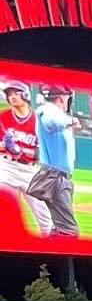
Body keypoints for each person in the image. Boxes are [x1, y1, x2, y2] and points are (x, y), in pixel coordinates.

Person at [0, 82, 55, 236]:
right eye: (9, 94)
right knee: (6, 211)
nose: (12, 97)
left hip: (29, 170)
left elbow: (45, 151)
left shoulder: (39, 120)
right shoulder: (3, 117)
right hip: (6, 167)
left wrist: (24, 150)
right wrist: (6, 145)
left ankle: (52, 252)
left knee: (45, 218)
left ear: (25, 95)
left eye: (16, 93)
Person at [30, 85, 81, 238]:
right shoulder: (47, 110)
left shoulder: (54, 113)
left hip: (59, 177)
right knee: (69, 231)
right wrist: (72, 120)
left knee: (60, 228)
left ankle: (47, 258)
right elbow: (50, 120)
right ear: (63, 97)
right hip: (54, 176)